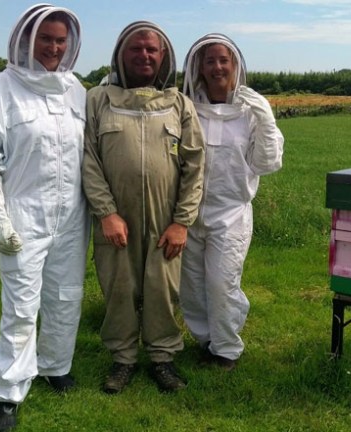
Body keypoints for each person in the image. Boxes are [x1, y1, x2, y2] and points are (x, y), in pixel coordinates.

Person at [0, 5, 89, 431]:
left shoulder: (77, 90)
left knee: (66, 296)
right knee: (20, 307)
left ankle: (56, 365)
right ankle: (9, 392)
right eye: (46, 39)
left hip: (72, 217)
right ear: (27, 40)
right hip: (24, 215)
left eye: (60, 41)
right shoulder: (3, 87)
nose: (54, 48)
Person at [82, 21, 205, 394]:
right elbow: (88, 159)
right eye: (135, 49)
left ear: (163, 55)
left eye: (152, 49)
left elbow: (195, 165)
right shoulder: (97, 100)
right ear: (121, 54)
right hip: (115, 219)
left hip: (165, 219)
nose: (144, 55)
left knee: (161, 288)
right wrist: (106, 212)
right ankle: (122, 360)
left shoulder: (180, 104)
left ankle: (163, 358)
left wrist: (182, 222)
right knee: (118, 287)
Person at [180, 34, 284, 371]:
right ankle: (206, 341)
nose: (217, 67)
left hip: (231, 213)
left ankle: (226, 349)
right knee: (192, 285)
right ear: (199, 67)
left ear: (235, 65)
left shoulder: (250, 111)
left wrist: (266, 118)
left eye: (223, 60)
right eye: (209, 61)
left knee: (222, 283)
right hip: (189, 212)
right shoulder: (187, 108)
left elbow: (267, 163)